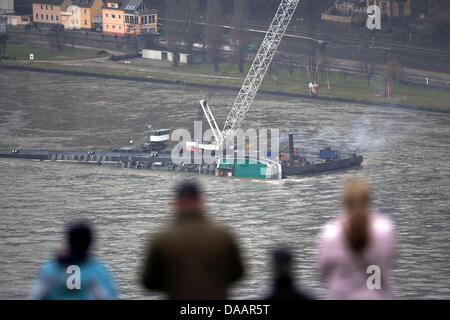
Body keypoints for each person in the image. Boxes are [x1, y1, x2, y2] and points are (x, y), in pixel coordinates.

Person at [141, 181, 244, 299]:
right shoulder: (224, 234)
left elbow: (149, 282)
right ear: (202, 201)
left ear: (175, 203)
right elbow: (238, 274)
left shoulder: (161, 238)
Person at [317, 179, 395, 299]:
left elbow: (324, 273)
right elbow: (388, 263)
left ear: (344, 203)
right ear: (368, 201)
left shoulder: (331, 234)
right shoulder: (384, 231)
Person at [30, 221, 118, 300]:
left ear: (69, 241)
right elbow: (106, 296)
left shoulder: (52, 268)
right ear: (89, 243)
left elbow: (36, 295)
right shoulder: (95, 270)